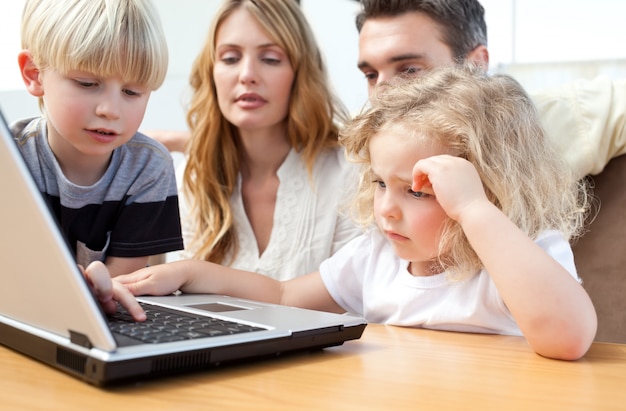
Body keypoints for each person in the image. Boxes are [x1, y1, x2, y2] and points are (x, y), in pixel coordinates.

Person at [99, 65, 598, 360]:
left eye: (419, 193)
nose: (386, 209)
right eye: (382, 183)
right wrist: (191, 272)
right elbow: (282, 293)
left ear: (495, 190)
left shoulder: (522, 255)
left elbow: (568, 338)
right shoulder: (376, 258)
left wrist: (473, 210)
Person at [164, 0, 362, 280]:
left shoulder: (348, 171)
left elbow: (352, 299)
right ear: (211, 72)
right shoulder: (194, 175)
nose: (247, 76)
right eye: (230, 58)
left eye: (270, 59)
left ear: (300, 74)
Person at [355, 0, 626, 179]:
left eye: (409, 70)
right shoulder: (365, 163)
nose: (381, 96)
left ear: (476, 64)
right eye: (370, 75)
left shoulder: (552, 121)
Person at [12, 0, 184, 277]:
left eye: (131, 92)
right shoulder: (11, 159)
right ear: (34, 74)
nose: (110, 110)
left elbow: (121, 285)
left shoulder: (149, 168)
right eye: (87, 84)